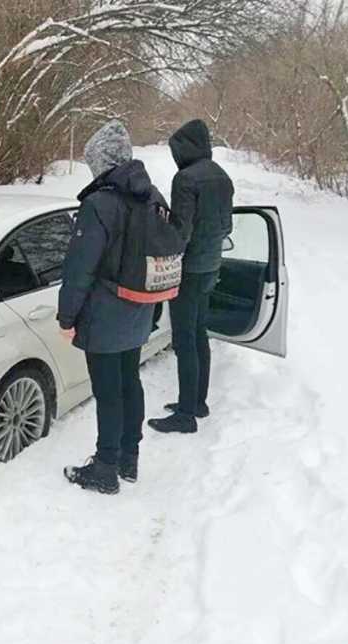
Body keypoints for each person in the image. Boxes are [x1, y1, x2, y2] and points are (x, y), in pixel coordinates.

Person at [58, 120, 171, 495]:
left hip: (104, 313)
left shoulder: (99, 203)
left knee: (108, 391)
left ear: (101, 162)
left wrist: (67, 317)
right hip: (140, 307)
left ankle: (105, 468)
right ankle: (129, 458)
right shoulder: (152, 195)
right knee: (129, 381)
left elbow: (80, 268)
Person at [148, 119, 234, 434]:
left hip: (188, 269)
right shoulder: (222, 177)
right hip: (212, 265)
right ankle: (198, 401)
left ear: (185, 149)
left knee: (184, 340)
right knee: (200, 333)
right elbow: (227, 226)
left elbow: (181, 231)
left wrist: (160, 228)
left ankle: (185, 415)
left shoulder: (185, 179)